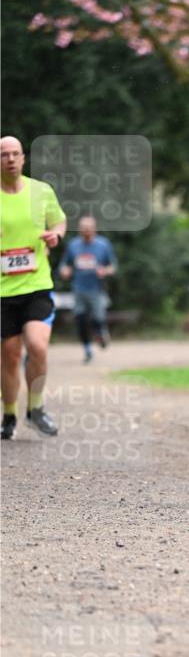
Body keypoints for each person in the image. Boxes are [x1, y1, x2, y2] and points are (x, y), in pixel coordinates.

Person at [1, 135, 67, 439]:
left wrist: (55, 235)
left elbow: (59, 222)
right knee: (10, 355)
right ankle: (10, 414)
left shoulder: (41, 191)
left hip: (38, 284)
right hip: (3, 291)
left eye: (15, 154)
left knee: (38, 346)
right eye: (4, 155)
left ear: (24, 158)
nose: (11, 159)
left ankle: (36, 408)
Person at [59, 215, 117, 363]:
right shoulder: (73, 245)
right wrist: (65, 271)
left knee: (98, 318)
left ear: (94, 229)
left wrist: (105, 271)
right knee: (80, 320)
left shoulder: (103, 245)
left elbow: (113, 266)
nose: (85, 231)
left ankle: (101, 334)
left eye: (88, 229)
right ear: (79, 230)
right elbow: (64, 265)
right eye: (83, 229)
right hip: (78, 289)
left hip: (97, 289)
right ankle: (87, 350)